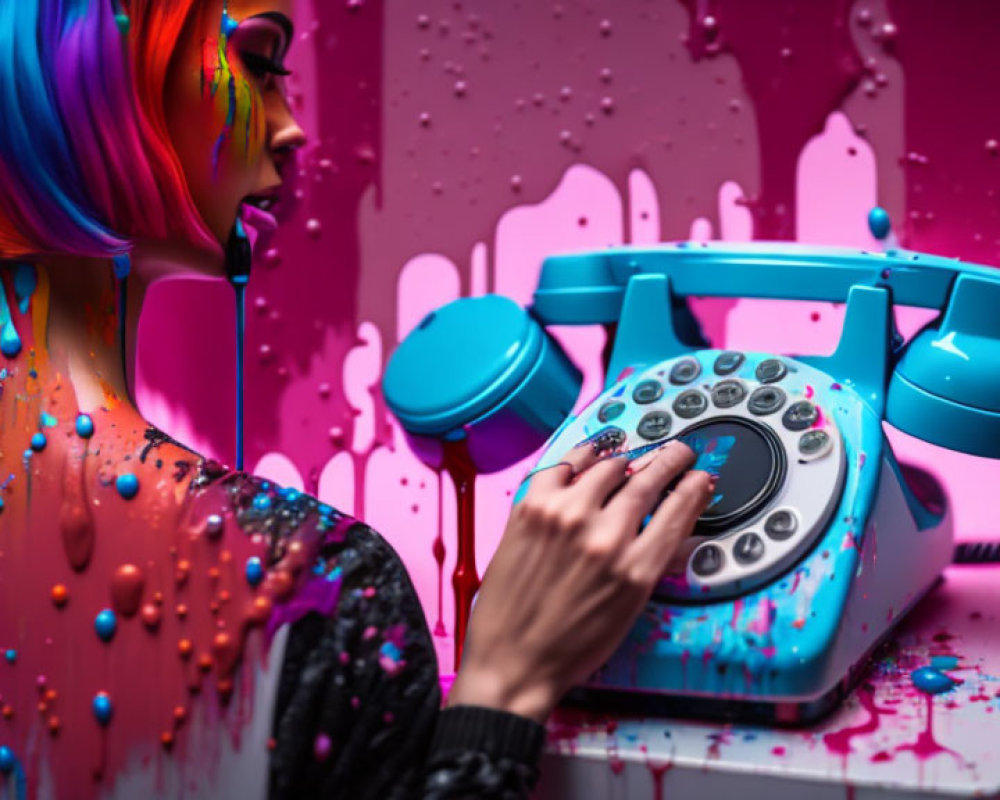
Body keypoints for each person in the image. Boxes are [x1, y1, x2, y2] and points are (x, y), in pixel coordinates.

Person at [0, 1, 715, 797]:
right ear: (87, 77)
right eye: (261, 66)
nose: (293, 127)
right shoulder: (310, 585)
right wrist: (502, 694)